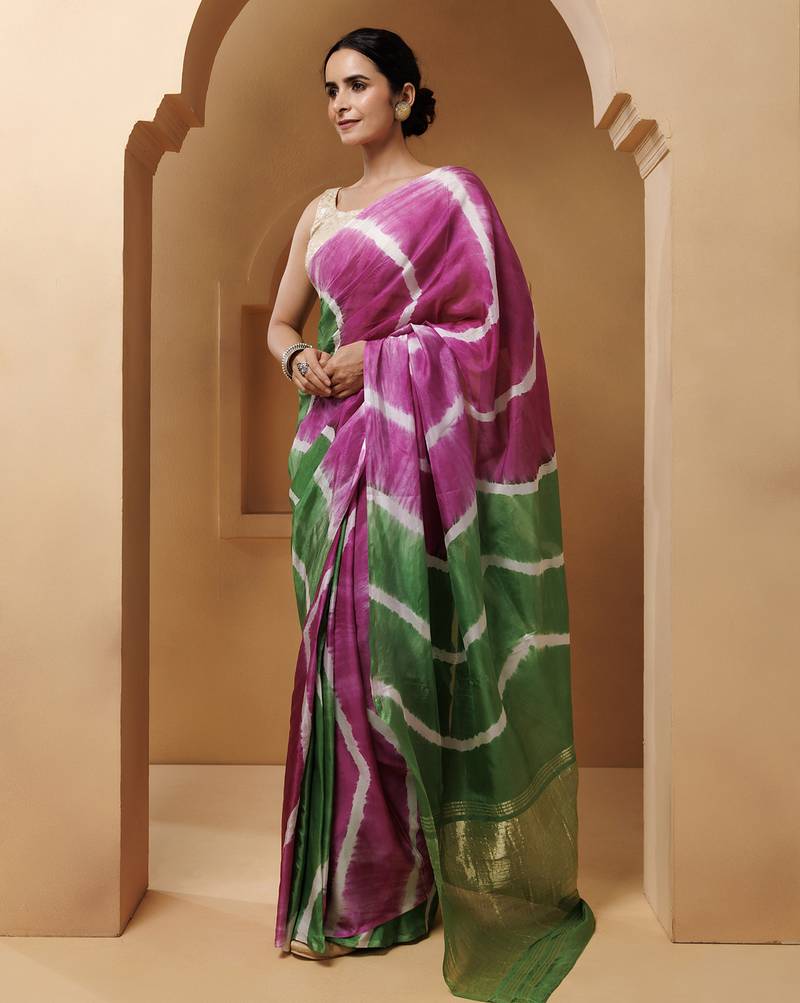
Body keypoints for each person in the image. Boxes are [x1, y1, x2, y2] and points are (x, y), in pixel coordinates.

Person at [266, 26, 596, 1003]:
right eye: (330, 87)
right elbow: (282, 321)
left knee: (396, 659)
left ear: (404, 96)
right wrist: (301, 358)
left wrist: (380, 357)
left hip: (410, 458)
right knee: (336, 665)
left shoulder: (453, 198)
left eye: (358, 84)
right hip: (331, 462)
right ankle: (344, 893)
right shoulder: (319, 214)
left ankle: (401, 888)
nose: (340, 101)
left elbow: (492, 335)